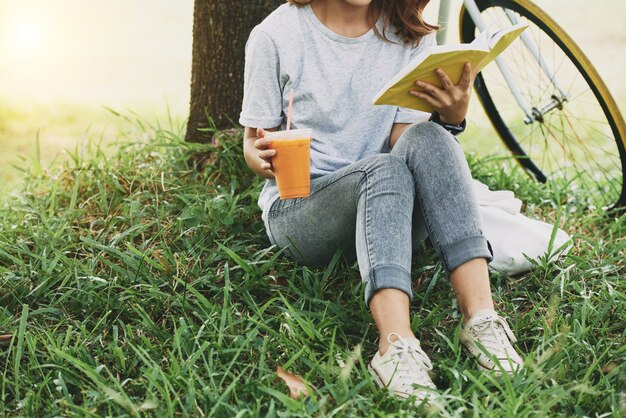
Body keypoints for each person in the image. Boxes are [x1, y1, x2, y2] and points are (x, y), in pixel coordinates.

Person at [239, 0, 524, 404]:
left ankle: (481, 320)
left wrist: (451, 117)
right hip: (303, 209)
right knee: (384, 170)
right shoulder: (275, 35)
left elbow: (403, 141)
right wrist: (258, 156)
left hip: (388, 210)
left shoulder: (407, 34)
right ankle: (396, 347)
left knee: (430, 138)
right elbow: (254, 139)